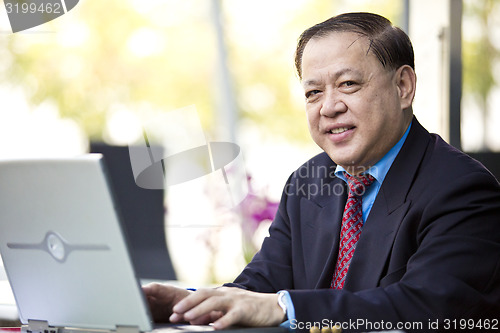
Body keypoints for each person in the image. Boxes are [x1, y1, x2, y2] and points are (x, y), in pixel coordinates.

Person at [143, 12, 500, 332]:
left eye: (348, 84)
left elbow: (425, 310)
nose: (328, 107)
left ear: (403, 86)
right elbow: (261, 285)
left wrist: (286, 307)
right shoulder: (307, 181)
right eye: (313, 92)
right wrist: (187, 304)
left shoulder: (462, 188)